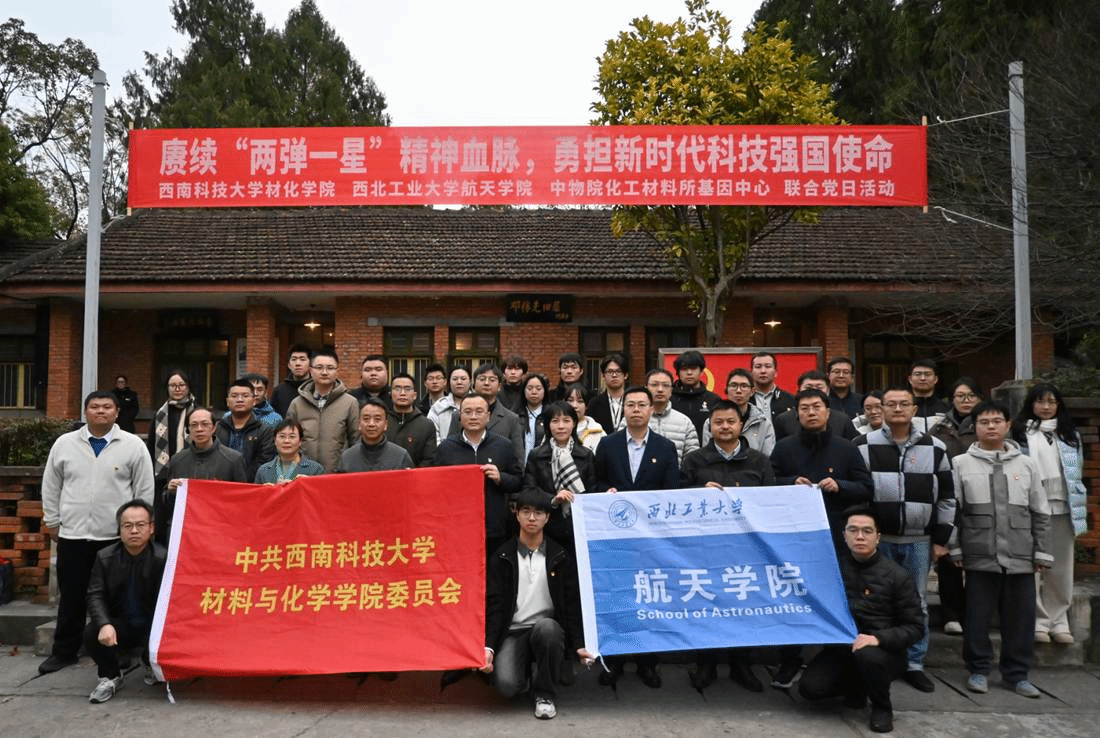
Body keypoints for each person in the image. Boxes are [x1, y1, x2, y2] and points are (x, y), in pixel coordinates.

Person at [39, 391, 155, 675]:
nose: (100, 411)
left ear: (117, 412)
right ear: (85, 411)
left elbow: (144, 489)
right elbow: (51, 485)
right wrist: (52, 521)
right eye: (94, 407)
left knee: (119, 598)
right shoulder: (65, 444)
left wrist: (139, 527)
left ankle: (120, 651)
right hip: (74, 535)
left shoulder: (132, 445)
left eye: (106, 407)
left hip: (115, 538)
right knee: (72, 595)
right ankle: (64, 651)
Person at [769, 387, 872, 690]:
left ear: (828, 412)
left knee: (836, 598)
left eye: (816, 407)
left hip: (834, 538)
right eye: (804, 408)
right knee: (791, 599)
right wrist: (790, 483)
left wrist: (840, 485)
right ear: (796, 414)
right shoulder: (784, 448)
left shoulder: (846, 448)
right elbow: (767, 483)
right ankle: (789, 659)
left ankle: (835, 659)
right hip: (793, 539)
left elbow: (866, 487)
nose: (811, 412)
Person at [854, 385, 955, 694]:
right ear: (880, 409)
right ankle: (879, 659)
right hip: (878, 541)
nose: (897, 409)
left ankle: (914, 663)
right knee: (875, 601)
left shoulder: (935, 447)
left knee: (917, 603)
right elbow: (858, 494)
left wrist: (941, 538)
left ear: (914, 409)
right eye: (891, 404)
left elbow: (948, 497)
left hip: (918, 540)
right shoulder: (863, 445)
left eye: (904, 404)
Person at [950, 400, 1052, 699]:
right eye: (984, 422)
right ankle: (978, 670)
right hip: (979, 551)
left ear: (1008, 425)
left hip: (1020, 553)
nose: (991, 426)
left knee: (1021, 618)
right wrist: (955, 548)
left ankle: (1017, 674)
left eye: (997, 421)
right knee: (977, 616)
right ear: (975, 427)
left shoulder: (1027, 464)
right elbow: (953, 510)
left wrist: (1042, 551)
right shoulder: (961, 464)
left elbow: (1040, 511)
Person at [799, 505, 925, 734]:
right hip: (842, 650)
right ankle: (857, 687)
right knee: (810, 688)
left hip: (884, 652)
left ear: (878, 537)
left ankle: (882, 707)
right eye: (853, 530)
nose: (859, 536)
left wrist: (878, 638)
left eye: (867, 531)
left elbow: (916, 627)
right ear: (844, 535)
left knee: (868, 656)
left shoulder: (898, 576)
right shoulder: (833, 569)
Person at [681, 400, 775, 693]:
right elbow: (676, 498)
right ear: (710, 427)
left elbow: (771, 501)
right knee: (706, 604)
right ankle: (706, 663)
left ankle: (741, 664)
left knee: (744, 605)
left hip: (746, 548)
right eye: (718, 422)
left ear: (740, 425)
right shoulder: (694, 461)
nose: (724, 427)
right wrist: (698, 491)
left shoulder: (759, 461)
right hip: (705, 548)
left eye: (730, 422)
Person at [592, 385, 682, 688]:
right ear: (624, 410)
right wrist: (606, 492)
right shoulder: (608, 444)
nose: (636, 410)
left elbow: (671, 492)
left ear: (651, 409)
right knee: (617, 597)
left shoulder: (665, 447)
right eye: (630, 405)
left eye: (642, 405)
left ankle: (647, 662)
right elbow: (596, 481)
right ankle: (614, 660)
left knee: (649, 598)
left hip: (651, 538)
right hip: (615, 535)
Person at [482, 488, 593, 720]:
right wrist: (489, 647)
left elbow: (571, 605)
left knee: (547, 629)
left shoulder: (560, 556)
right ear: (517, 515)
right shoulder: (502, 557)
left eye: (539, 513)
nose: (532, 518)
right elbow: (495, 605)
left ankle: (545, 694)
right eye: (526, 511)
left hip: (547, 629)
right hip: (513, 630)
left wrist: (579, 645)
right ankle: (528, 670)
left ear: (547, 518)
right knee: (507, 685)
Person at [1012, 383, 1088, 645]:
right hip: (1031, 508)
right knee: (1032, 565)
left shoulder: (1070, 435)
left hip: (1064, 506)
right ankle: (1038, 621)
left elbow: (1077, 471)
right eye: (1040, 401)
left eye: (1051, 402)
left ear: (1059, 405)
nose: (1046, 407)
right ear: (1031, 404)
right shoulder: (1019, 433)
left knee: (1062, 568)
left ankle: (1059, 620)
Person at [84, 500, 166, 703]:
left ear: (151, 528)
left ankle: (151, 663)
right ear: (119, 529)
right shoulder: (105, 557)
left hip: (151, 624)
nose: (134, 531)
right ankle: (110, 676)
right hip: (120, 623)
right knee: (92, 631)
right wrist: (104, 624)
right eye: (127, 525)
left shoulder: (162, 558)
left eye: (140, 525)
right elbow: (95, 594)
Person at [433, 393, 523, 560]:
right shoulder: (446, 448)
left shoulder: (503, 445)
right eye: (467, 412)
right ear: (460, 416)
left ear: (488, 416)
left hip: (494, 528)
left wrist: (501, 478)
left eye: (479, 412)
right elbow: (435, 487)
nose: (473, 416)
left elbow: (518, 481)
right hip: (457, 527)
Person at [930, 377, 983, 636]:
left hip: (980, 497)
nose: (966, 400)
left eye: (971, 395)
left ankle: (974, 613)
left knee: (977, 558)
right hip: (947, 495)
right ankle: (951, 614)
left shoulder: (985, 423)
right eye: (960, 396)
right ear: (952, 399)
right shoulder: (940, 427)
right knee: (948, 555)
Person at [521, 401, 597, 551]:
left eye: (566, 421)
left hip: (579, 527)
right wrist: (554, 499)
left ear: (574, 423)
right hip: (546, 525)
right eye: (555, 421)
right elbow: (529, 490)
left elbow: (593, 490)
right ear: (548, 425)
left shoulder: (586, 455)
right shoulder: (536, 455)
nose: (561, 426)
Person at [166, 408, 248, 534]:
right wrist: (170, 492)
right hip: (186, 530)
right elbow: (167, 503)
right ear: (188, 430)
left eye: (205, 424)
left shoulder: (233, 459)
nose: (199, 429)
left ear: (214, 428)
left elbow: (243, 501)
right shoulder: (178, 460)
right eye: (194, 425)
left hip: (220, 530)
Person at [286, 348, 360, 473]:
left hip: (337, 472)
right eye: (319, 367)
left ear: (337, 371)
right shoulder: (297, 404)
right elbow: (289, 438)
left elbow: (356, 439)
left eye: (330, 368)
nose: (324, 372)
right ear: (310, 370)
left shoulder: (350, 403)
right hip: (303, 474)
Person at [147, 370, 195, 537]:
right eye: (173, 385)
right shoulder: (160, 414)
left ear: (188, 387)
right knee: (163, 524)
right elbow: (151, 445)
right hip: (163, 476)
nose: (177, 389)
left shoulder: (196, 412)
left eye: (181, 385)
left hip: (191, 474)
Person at [446, 364, 525, 463]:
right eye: (482, 379)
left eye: (492, 380)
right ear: (473, 384)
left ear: (499, 386)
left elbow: (518, 459)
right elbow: (449, 450)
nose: (487, 383)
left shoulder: (511, 419)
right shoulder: (458, 415)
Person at [701, 368, 775, 455]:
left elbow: (767, 457)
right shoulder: (712, 422)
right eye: (733, 385)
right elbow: (707, 455)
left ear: (752, 391)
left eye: (744, 386)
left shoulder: (763, 423)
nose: (738, 391)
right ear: (726, 389)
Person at [214, 379, 275, 482]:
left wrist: (241, 479)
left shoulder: (264, 431)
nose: (239, 400)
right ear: (227, 401)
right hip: (220, 484)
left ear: (254, 401)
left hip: (251, 485)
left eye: (245, 396)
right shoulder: (217, 428)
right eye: (234, 396)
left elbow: (264, 461)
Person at [773, 370, 859, 442]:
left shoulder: (842, 420)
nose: (813, 392)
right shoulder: (783, 420)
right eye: (808, 388)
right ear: (798, 390)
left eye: (819, 388)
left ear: (828, 391)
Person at [336, 399, 414, 472]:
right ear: (359, 424)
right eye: (366, 419)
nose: (371, 424)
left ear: (386, 424)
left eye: (377, 419)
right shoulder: (347, 458)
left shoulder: (400, 456)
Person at [646, 368, 700, 463]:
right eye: (654, 385)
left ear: (671, 390)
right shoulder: (632, 419)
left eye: (665, 385)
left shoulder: (684, 422)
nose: (660, 389)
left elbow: (692, 460)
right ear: (646, 388)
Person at [385, 372, 437, 467]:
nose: (402, 393)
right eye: (397, 389)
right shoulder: (383, 422)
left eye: (407, 389)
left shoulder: (426, 425)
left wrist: (412, 473)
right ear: (390, 394)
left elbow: (429, 459)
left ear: (414, 395)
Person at [254, 418, 325, 484]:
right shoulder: (263, 471)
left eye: (292, 437)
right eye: (282, 436)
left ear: (300, 441)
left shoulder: (315, 470)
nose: (286, 441)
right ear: (275, 440)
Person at [671, 349, 722, 438]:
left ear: (701, 371)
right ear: (678, 373)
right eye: (684, 369)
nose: (689, 373)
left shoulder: (713, 400)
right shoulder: (669, 399)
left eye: (693, 368)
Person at [427, 365, 470, 443]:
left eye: (463, 379)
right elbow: (432, 436)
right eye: (455, 379)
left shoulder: (481, 404)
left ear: (470, 381)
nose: (459, 382)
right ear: (448, 382)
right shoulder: (438, 407)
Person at [588, 353, 630, 434]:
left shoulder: (633, 402)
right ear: (603, 376)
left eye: (618, 371)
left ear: (625, 375)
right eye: (610, 371)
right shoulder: (594, 404)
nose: (614, 375)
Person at [751, 351, 795, 423]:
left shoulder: (790, 400)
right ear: (751, 372)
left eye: (768, 366)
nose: (763, 371)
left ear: (775, 372)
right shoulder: (745, 399)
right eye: (758, 367)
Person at [270, 344, 313, 417]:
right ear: (289, 365)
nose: (298, 363)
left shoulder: (317, 389)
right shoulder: (279, 390)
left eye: (302, 359)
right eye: (294, 359)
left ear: (310, 364)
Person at [908, 359, 949, 433]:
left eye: (927, 374)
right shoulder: (903, 407)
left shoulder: (947, 407)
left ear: (935, 379)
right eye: (918, 374)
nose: (923, 378)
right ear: (910, 379)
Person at [563, 382, 606, 452]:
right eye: (570, 400)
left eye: (580, 401)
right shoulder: (556, 429)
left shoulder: (598, 432)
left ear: (586, 406)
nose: (574, 405)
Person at [517, 373, 549, 460]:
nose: (534, 392)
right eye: (530, 388)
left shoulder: (550, 415)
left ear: (544, 391)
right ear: (524, 391)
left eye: (538, 389)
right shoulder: (516, 415)